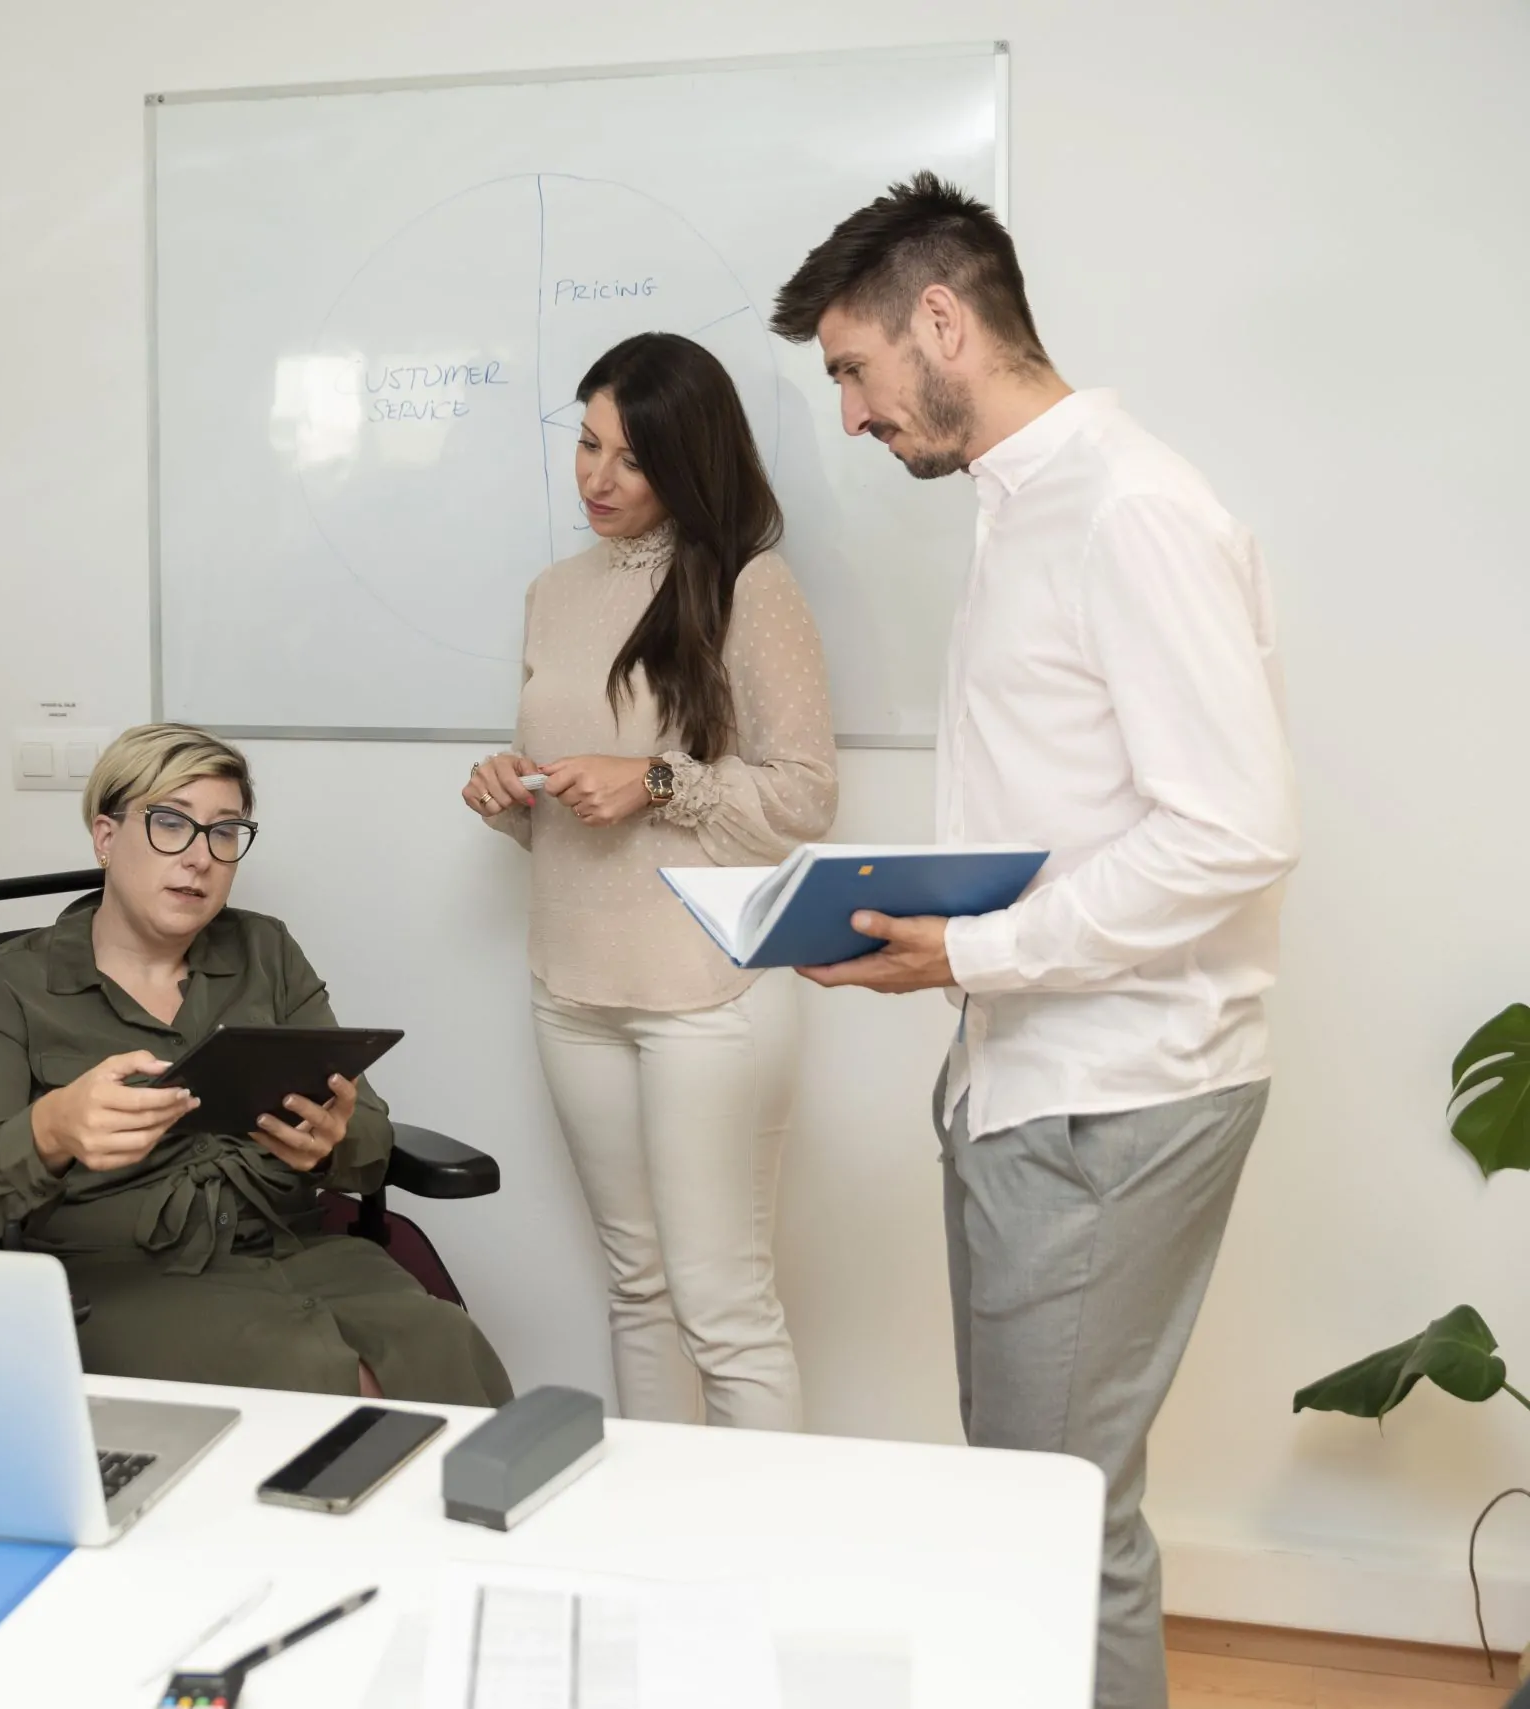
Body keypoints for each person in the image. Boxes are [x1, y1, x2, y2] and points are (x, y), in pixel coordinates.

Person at [772, 174, 1295, 1709]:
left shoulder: (1130, 508)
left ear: (942, 320)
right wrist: (945, 942)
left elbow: (1234, 831)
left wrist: (974, 956)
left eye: (855, 369)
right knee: (1032, 1496)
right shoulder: (1026, 506)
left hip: (1112, 1095)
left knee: (1056, 1522)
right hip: (1033, 1081)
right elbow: (1081, 811)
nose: (852, 417)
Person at [461, 333, 837, 1431]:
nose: (597, 476)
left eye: (631, 458)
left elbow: (806, 798)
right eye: (586, 444)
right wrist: (511, 795)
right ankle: (655, 1523)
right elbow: (569, 810)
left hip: (707, 994)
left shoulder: (750, 586)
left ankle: (756, 1536)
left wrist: (658, 780)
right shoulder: (552, 592)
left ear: (688, 461)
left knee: (724, 1309)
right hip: (571, 982)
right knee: (637, 1287)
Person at [0, 723, 513, 1405]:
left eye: (224, 832)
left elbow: (369, 1132)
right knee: (315, 1381)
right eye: (170, 823)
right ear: (106, 835)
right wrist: (52, 1129)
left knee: (446, 1344)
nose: (199, 857)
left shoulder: (266, 951)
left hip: (295, 1247)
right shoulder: (3, 983)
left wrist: (332, 1142)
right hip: (123, 1279)